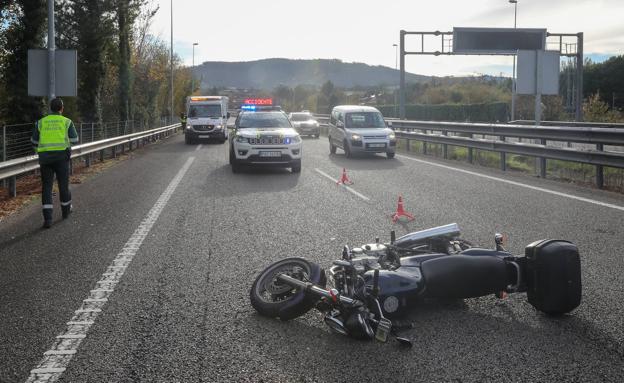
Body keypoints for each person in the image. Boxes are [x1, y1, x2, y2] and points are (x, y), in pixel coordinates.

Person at [31, 97, 79, 228]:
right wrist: (66, 145)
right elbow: (75, 139)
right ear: (62, 108)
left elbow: (34, 142)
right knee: (63, 185)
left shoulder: (41, 122)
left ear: (50, 108)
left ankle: (48, 219)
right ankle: (65, 211)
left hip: (45, 159)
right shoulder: (66, 121)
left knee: (47, 187)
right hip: (61, 157)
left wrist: (41, 150)